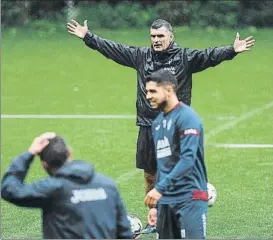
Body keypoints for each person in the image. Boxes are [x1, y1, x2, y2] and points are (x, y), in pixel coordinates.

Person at [67, 18, 255, 233]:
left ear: (171, 37)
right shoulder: (141, 56)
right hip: (148, 125)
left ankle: (184, 210)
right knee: (150, 174)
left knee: (179, 168)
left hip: (175, 125)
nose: (156, 40)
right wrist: (89, 38)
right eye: (153, 36)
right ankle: (156, 216)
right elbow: (114, 49)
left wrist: (232, 50)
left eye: (160, 36)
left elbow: (209, 56)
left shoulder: (184, 58)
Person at [1, 132, 133, 239]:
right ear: (69, 153)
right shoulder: (107, 184)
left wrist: (30, 153)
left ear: (44, 165)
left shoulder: (52, 189)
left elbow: (9, 189)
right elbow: (124, 231)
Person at [144, 69, 208, 239]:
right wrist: (156, 206)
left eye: (152, 91)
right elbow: (163, 165)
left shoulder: (187, 117)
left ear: (169, 90)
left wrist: (159, 189)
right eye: (146, 91)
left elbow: (188, 160)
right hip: (165, 202)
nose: (148, 96)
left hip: (189, 199)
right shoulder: (157, 123)